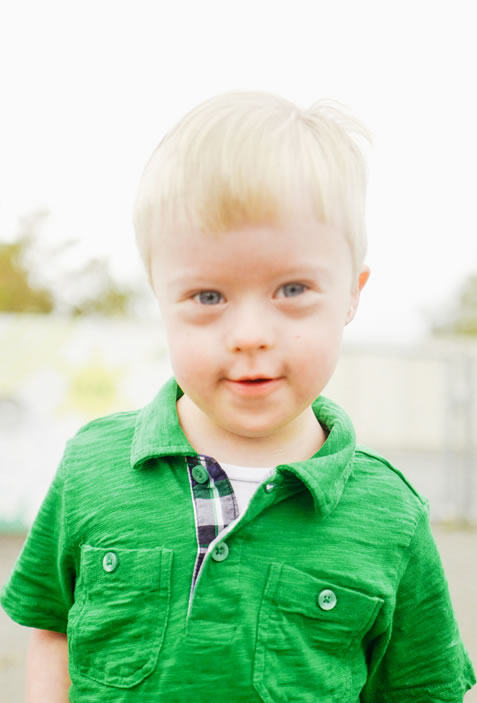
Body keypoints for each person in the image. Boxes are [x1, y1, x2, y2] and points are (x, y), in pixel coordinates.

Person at [1, 91, 475, 703]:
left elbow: (425, 690)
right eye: (207, 297)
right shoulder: (92, 466)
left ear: (352, 295)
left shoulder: (390, 515)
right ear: (159, 296)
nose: (249, 335)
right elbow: (54, 630)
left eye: (293, 288)